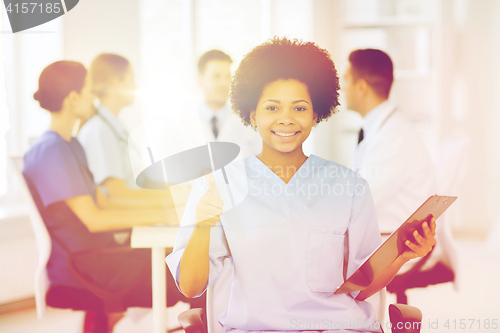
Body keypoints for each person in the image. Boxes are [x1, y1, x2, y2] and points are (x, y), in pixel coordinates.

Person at [166, 38, 437, 332]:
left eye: (299, 108)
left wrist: (402, 257)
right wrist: (202, 226)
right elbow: (191, 288)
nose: (286, 119)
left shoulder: (349, 186)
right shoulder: (219, 185)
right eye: (272, 108)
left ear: (315, 114)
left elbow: (361, 287)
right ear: (252, 115)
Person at [23, 61, 203, 333]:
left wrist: (167, 208)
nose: (93, 98)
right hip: (85, 266)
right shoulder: (52, 151)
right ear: (72, 99)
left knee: (185, 260)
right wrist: (163, 214)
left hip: (96, 256)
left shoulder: (69, 145)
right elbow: (94, 219)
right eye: (87, 91)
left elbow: (104, 202)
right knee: (194, 271)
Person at [343, 49, 447, 305]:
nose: (341, 87)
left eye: (345, 79)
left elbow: (358, 204)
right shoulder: (381, 130)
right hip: (379, 235)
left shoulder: (392, 138)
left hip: (394, 245)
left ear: (361, 87)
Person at [78, 53, 169, 203]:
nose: (135, 86)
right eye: (131, 79)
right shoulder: (99, 131)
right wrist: (168, 201)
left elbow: (133, 183)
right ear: (116, 84)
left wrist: (173, 192)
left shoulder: (112, 127)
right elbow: (117, 193)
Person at [196, 49, 260, 157]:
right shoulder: (181, 123)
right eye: (216, 76)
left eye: (227, 76)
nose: (224, 83)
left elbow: (259, 167)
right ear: (200, 80)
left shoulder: (249, 123)